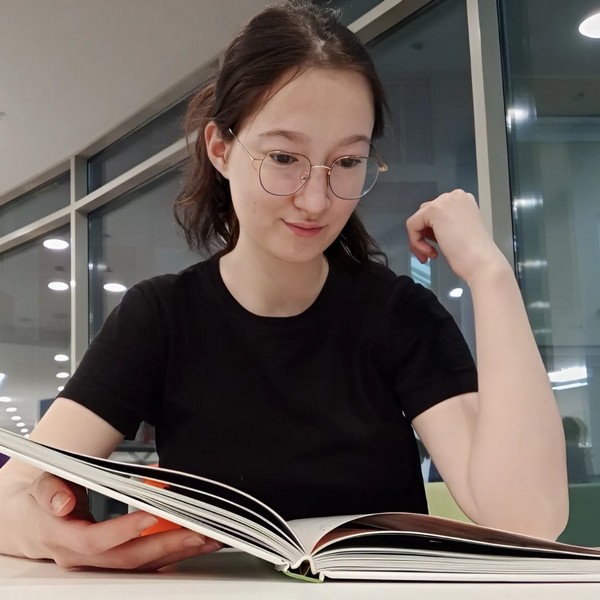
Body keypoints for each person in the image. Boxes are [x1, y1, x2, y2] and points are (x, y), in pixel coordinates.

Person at [0, 0, 568, 571]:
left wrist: (490, 274)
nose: (316, 199)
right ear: (220, 149)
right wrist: (47, 534)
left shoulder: (399, 316)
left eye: (347, 162)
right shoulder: (162, 317)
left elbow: (527, 521)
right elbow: (12, 494)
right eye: (282, 157)